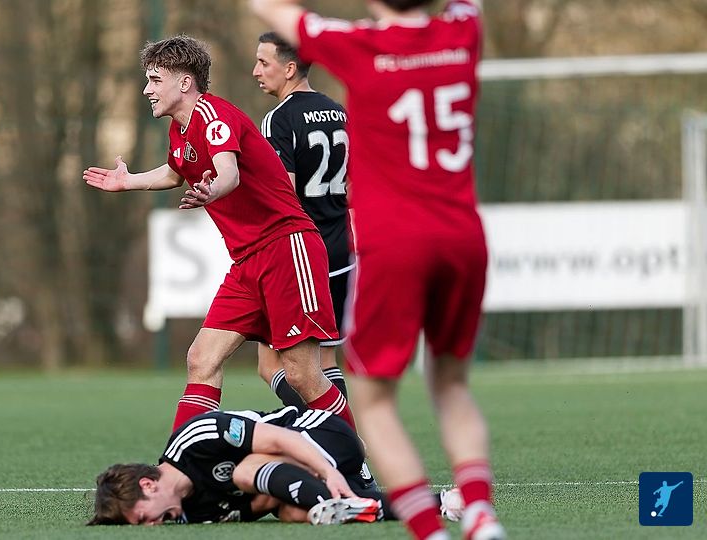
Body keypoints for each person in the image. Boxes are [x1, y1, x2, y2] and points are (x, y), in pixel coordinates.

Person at [249, 1, 505, 539]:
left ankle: (426, 527)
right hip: (462, 235)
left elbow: (281, 12)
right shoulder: (463, 31)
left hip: (386, 244)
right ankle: (480, 514)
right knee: (451, 385)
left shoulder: (359, 49)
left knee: (371, 398)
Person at [84, 35, 354, 431]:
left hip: (286, 246)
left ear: (185, 82)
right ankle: (179, 463)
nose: (146, 90)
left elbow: (228, 171)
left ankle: (353, 456)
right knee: (202, 359)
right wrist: (128, 181)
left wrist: (213, 190)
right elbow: (174, 172)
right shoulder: (179, 130)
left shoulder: (214, 116)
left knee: (302, 373)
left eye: (155, 80)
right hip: (247, 260)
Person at [87, 406, 465, 526]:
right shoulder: (193, 512)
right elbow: (265, 502)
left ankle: (348, 498)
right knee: (292, 513)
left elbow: (281, 440)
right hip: (305, 477)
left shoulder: (195, 438)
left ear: (148, 486)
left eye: (143, 518)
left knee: (245, 471)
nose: (151, 527)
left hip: (320, 434)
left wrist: (329, 472)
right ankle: (443, 503)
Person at [251, 31, 354, 416]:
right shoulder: (339, 112)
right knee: (325, 360)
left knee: (272, 365)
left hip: (300, 253)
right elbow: (355, 184)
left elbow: (283, 195)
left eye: (264, 62)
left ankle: (332, 435)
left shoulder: (279, 119)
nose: (256, 71)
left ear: (290, 68)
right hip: (340, 249)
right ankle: (342, 436)